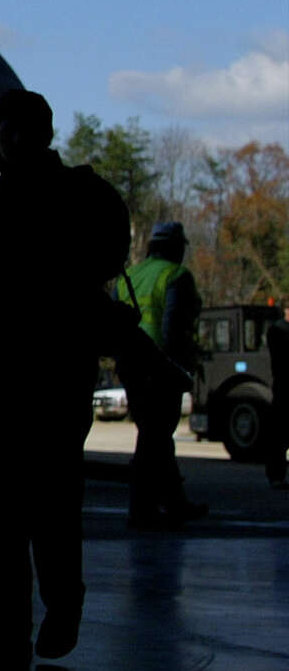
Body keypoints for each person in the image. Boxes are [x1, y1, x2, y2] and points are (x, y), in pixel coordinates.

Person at [0, 89, 125, 665]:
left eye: (25, 129)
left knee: (47, 501)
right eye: (8, 129)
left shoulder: (76, 197)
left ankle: (56, 610)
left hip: (51, 359)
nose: (15, 139)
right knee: (5, 507)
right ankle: (8, 627)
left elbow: (102, 261)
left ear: (44, 134)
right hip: (14, 360)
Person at [114, 222, 206, 528]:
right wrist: (173, 368)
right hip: (159, 367)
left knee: (155, 435)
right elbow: (173, 329)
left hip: (130, 366)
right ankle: (142, 508)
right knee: (154, 436)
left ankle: (173, 502)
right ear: (175, 248)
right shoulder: (176, 276)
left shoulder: (131, 276)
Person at [265, 306, 288, 490]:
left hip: (282, 387)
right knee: (280, 434)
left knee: (279, 435)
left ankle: (276, 474)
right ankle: (276, 474)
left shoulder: (276, 331)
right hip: (284, 387)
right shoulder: (278, 331)